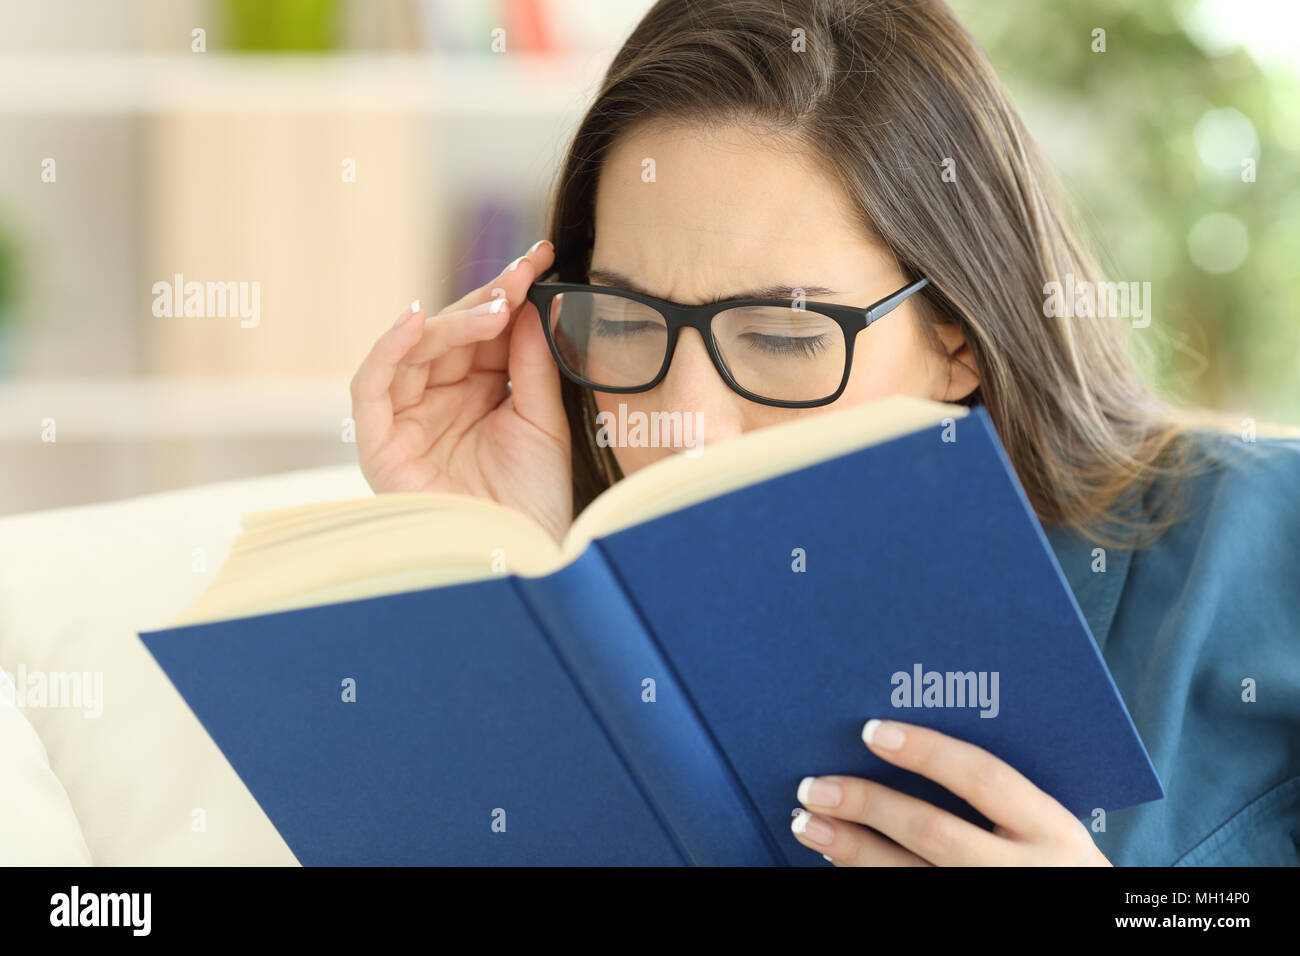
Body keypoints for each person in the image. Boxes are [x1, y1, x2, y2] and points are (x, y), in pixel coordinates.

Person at [348, 0, 1300, 865]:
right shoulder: (599, 612)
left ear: (961, 332)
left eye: (781, 337)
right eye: (630, 321)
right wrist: (499, 586)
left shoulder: (1263, 542)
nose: (690, 431)